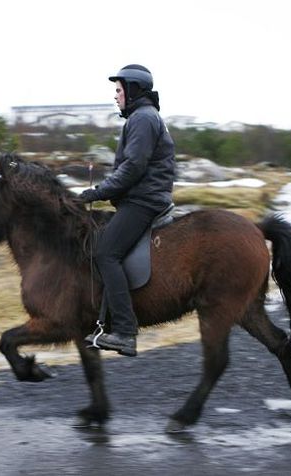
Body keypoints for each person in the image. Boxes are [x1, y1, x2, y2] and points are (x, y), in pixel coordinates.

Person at [79, 64, 176, 357]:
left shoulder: (143, 119)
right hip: (141, 198)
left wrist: (97, 193)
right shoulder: (141, 117)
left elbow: (133, 167)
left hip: (144, 201)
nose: (117, 97)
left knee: (106, 252)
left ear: (133, 90)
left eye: (119, 91)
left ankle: (124, 332)